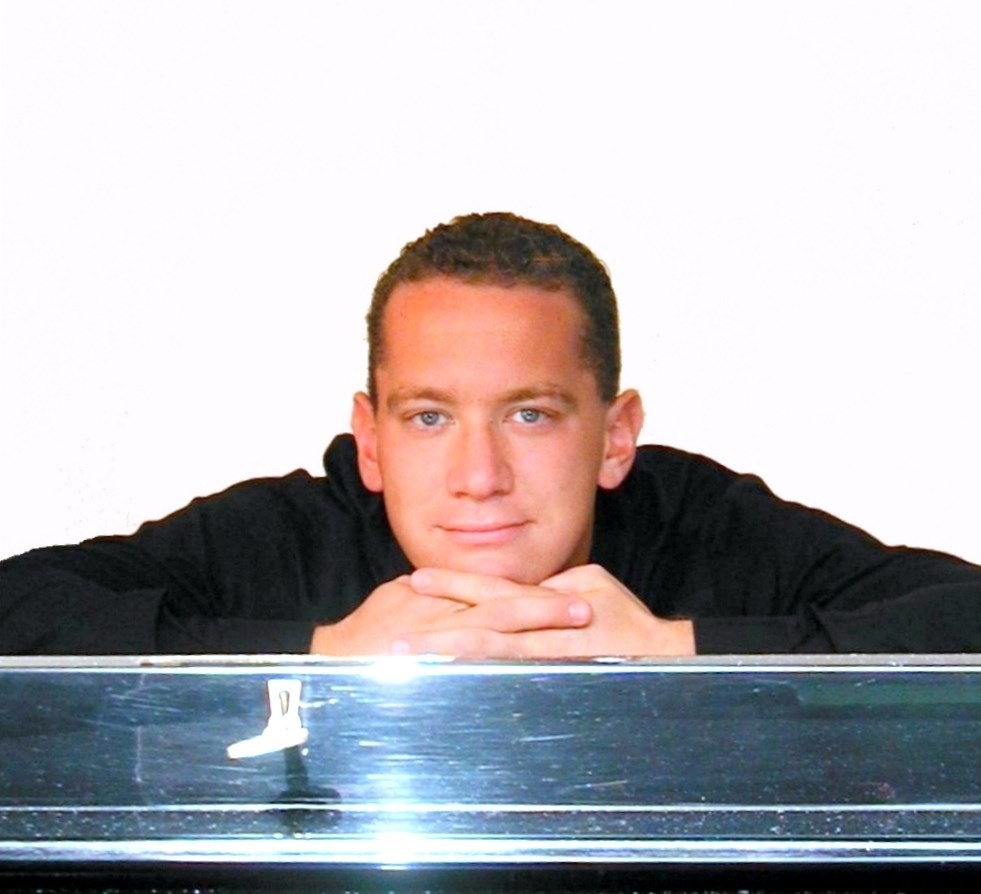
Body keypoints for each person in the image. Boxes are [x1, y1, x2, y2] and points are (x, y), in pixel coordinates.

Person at [1, 212, 979, 656]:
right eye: (429, 417)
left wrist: (673, 648)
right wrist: (322, 650)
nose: (479, 476)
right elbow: (20, 606)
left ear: (615, 437)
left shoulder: (700, 524)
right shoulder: (282, 537)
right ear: (370, 439)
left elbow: (958, 615)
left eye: (529, 415)